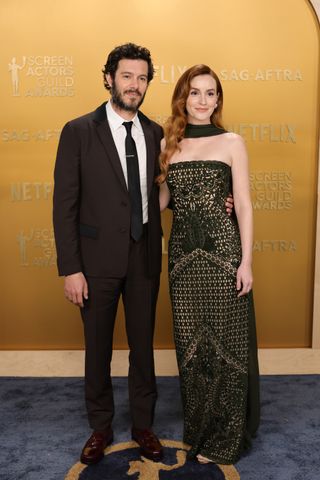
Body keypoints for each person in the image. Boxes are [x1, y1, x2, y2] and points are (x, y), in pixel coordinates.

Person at [53, 43, 164, 465]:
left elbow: (159, 192)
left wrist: (219, 201)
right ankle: (100, 427)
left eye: (142, 78)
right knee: (97, 348)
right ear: (109, 78)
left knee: (143, 348)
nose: (134, 85)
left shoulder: (154, 132)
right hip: (94, 264)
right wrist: (71, 269)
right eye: (126, 76)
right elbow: (64, 205)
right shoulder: (78, 130)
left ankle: (143, 425)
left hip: (144, 257)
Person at [158, 65, 260, 465]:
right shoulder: (171, 143)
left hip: (223, 256)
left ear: (218, 99)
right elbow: (163, 201)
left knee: (226, 347)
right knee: (192, 349)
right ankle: (198, 429)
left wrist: (246, 261)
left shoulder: (232, 141)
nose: (202, 100)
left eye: (210, 93)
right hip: (183, 260)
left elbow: (245, 204)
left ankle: (226, 436)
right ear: (183, 98)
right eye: (194, 92)